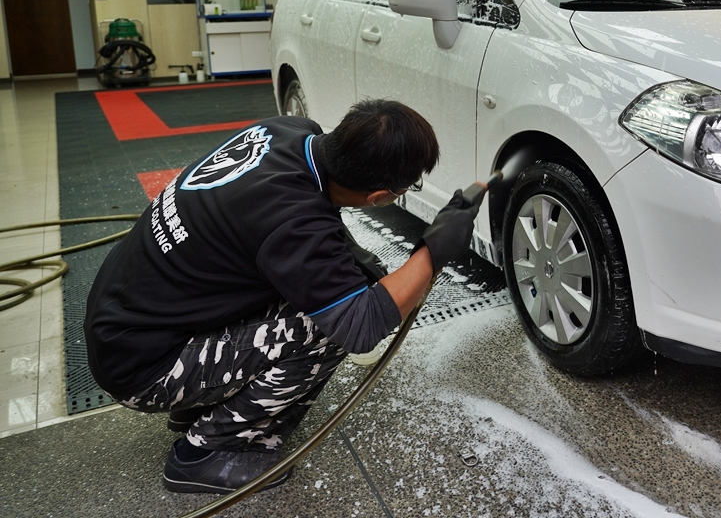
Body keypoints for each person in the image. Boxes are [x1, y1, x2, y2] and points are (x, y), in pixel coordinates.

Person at [84, 99, 480, 494]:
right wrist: (431, 253)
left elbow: (315, 233)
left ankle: (200, 406)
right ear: (378, 196)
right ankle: (206, 453)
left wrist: (363, 265)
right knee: (328, 328)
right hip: (144, 370)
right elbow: (362, 325)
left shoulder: (287, 131)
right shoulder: (294, 224)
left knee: (327, 293)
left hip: (123, 324)